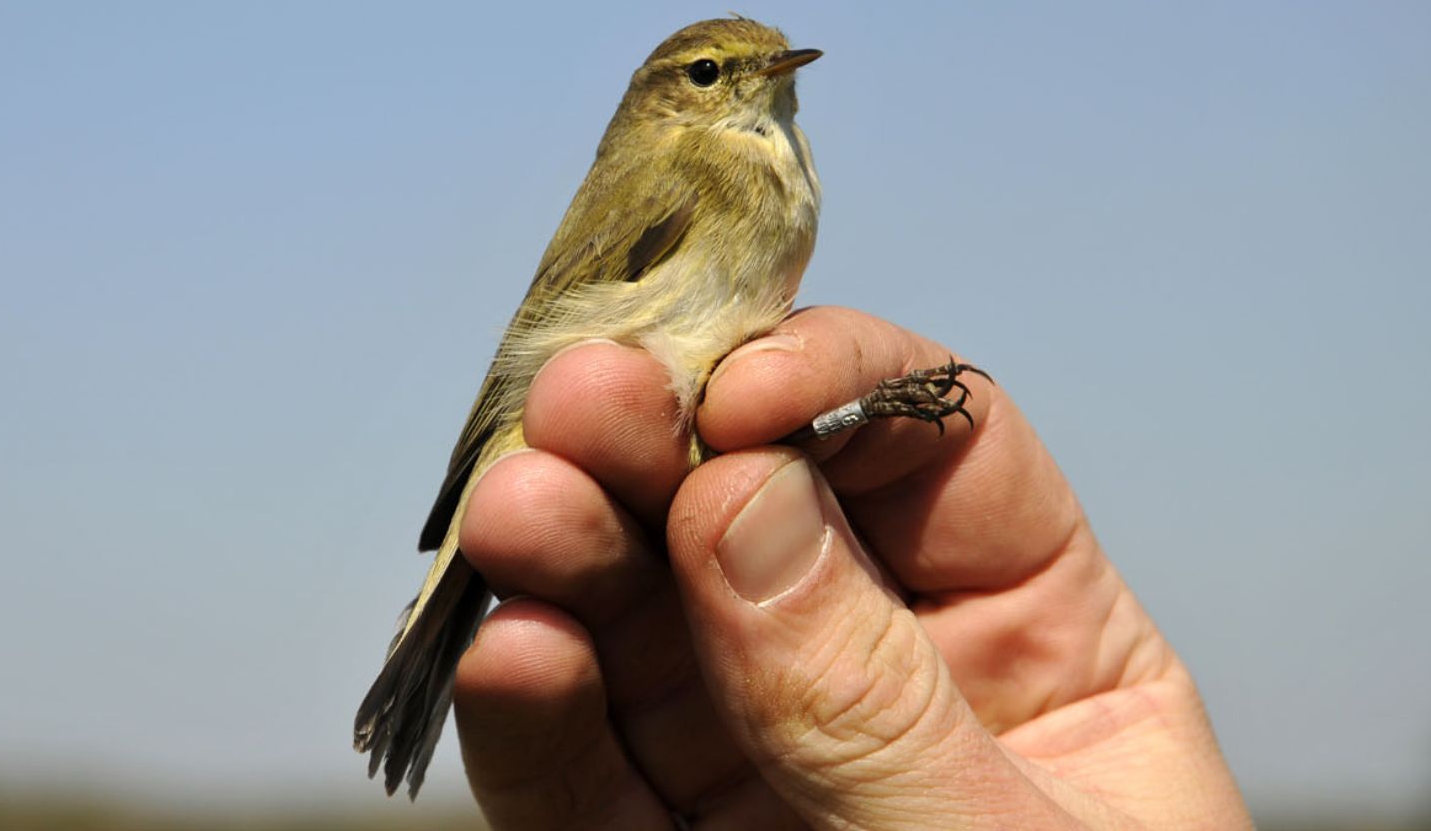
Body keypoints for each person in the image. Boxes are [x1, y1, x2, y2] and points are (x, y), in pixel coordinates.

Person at [451, 306, 1254, 829]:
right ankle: (858, 413)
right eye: (707, 75)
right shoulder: (698, 170)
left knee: (728, 449)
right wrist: (869, 410)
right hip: (598, 417)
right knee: (720, 461)